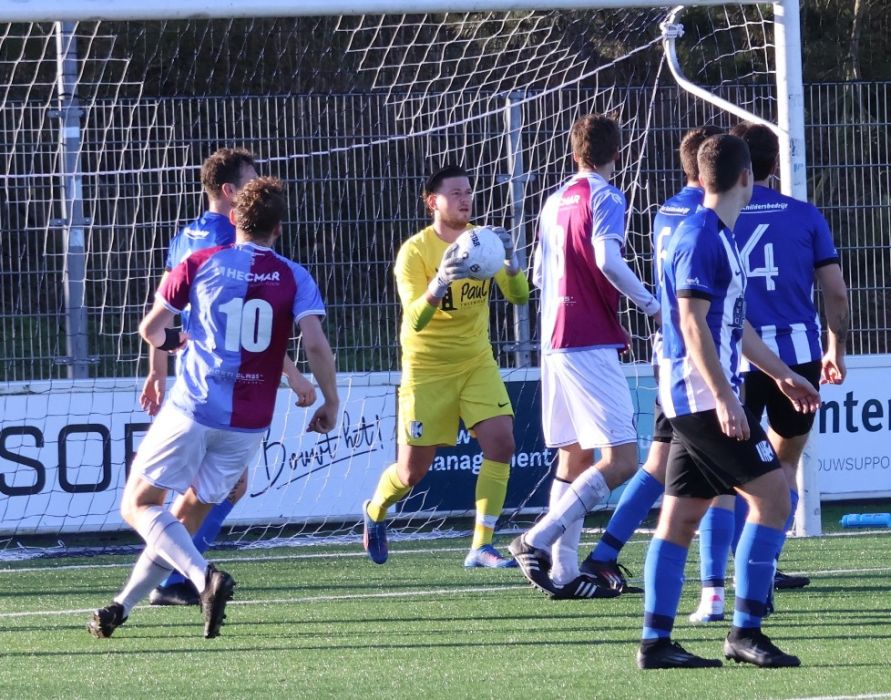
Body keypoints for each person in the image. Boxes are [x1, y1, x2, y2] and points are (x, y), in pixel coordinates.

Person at [87, 177, 339, 639]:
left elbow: (150, 330)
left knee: (138, 505)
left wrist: (178, 340)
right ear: (278, 229)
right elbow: (316, 345)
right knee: (183, 518)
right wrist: (331, 400)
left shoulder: (200, 262)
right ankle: (122, 606)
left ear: (234, 218)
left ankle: (204, 578)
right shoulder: (294, 276)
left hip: (195, 408)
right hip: (249, 424)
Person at [636, 134, 820, 669]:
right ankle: (745, 631)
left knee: (680, 517)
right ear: (747, 177)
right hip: (700, 397)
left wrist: (782, 375)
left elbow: (734, 328)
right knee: (773, 498)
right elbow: (692, 325)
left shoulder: (716, 232)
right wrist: (724, 398)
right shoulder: (701, 236)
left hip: (693, 396)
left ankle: (655, 643)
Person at [688, 122, 849, 624]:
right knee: (783, 467)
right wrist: (836, 349)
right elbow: (836, 292)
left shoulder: (711, 215)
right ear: (773, 165)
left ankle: (714, 588)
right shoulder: (804, 214)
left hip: (734, 358)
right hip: (796, 356)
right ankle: (763, 568)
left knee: (723, 477)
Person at [140, 148, 315, 607]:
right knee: (219, 487)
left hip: (194, 374)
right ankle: (183, 576)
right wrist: (296, 377)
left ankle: (176, 574)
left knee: (205, 489)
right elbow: (246, 326)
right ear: (230, 192)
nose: (259, 189)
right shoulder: (228, 239)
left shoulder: (186, 234)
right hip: (225, 382)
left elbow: (163, 307)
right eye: (252, 182)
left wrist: (157, 368)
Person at [507, 114, 661, 600]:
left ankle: (565, 573)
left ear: (574, 155)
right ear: (617, 153)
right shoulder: (607, 196)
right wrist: (652, 306)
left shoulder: (553, 202)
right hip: (586, 340)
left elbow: (538, 276)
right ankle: (536, 539)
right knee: (622, 460)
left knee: (574, 454)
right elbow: (607, 259)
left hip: (554, 341)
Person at [361, 164, 530, 568]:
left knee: (502, 443)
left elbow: (520, 297)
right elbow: (415, 319)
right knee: (411, 473)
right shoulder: (415, 252)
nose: (464, 199)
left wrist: (509, 262)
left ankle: (481, 545)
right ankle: (375, 510)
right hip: (427, 369)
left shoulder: (483, 241)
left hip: (476, 361)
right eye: (455, 193)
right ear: (432, 202)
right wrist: (439, 283)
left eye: (468, 192)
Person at [581, 126, 721, 594]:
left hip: (669, 352)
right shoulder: (706, 216)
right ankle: (739, 574)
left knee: (661, 462)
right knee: (732, 471)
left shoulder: (666, 210)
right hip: (699, 354)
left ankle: (603, 554)